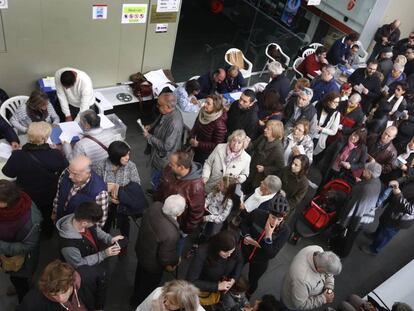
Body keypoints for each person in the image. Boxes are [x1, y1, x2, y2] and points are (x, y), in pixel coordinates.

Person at [2, 122, 68, 237]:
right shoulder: (55, 154)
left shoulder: (18, 155)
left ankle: (30, 235)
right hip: (49, 194)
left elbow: (8, 173)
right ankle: (47, 234)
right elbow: (65, 170)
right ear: (46, 138)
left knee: (27, 217)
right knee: (47, 216)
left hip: (26, 195)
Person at [131, 195, 186, 307]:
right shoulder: (171, 233)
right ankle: (138, 304)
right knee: (147, 288)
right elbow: (165, 258)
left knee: (139, 277)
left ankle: (134, 298)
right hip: (152, 265)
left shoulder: (155, 206)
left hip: (142, 251)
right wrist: (176, 260)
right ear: (179, 213)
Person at [0, 180, 42, 303]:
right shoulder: (16, 204)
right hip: (7, 253)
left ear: (7, 202)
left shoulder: (30, 221)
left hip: (22, 261)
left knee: (20, 282)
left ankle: (24, 300)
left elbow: (28, 246)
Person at [240, 194, 290, 296]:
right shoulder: (257, 214)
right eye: (273, 217)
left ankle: (248, 296)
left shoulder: (285, 231)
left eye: (279, 219)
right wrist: (246, 235)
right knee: (235, 269)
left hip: (260, 261)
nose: (275, 222)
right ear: (269, 212)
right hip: (245, 250)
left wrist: (268, 236)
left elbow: (271, 254)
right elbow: (244, 224)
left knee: (253, 281)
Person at [331, 162, 382, 258]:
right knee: (351, 237)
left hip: (356, 220)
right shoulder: (377, 182)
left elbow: (355, 207)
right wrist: (360, 183)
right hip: (365, 217)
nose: (363, 171)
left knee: (348, 237)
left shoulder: (366, 189)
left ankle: (340, 254)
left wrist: (344, 221)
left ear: (370, 173)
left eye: (366, 170)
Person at [94, 141, 143, 239]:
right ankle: (104, 241)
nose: (128, 158)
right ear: (116, 157)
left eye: (128, 154)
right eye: (124, 156)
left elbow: (137, 185)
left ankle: (124, 244)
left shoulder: (130, 166)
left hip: (124, 206)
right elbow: (96, 189)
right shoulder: (100, 166)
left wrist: (122, 196)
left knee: (125, 225)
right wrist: (109, 199)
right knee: (104, 225)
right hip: (106, 206)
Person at [17, 259, 106, 311]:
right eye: (54, 295)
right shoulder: (32, 302)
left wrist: (99, 307)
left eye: (64, 292)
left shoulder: (88, 276)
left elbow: (101, 280)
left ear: (72, 282)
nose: (60, 298)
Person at [57, 201, 123, 268]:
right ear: (84, 223)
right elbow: (78, 264)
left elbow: (96, 230)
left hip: (93, 257)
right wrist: (103, 254)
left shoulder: (83, 218)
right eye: (93, 223)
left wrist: (110, 239)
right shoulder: (69, 246)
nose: (94, 225)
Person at [154, 150, 205, 235]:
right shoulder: (170, 169)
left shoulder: (196, 187)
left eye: (172, 164)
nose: (169, 165)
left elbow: (196, 214)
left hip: (176, 226)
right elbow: (161, 185)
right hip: (160, 214)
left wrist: (185, 231)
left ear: (181, 167)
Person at [186, 231, 243, 305]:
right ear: (217, 247)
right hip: (203, 286)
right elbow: (191, 281)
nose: (229, 255)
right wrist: (217, 286)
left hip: (219, 284)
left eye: (231, 252)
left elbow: (240, 261)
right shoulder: (202, 253)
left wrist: (233, 279)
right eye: (225, 252)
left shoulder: (232, 247)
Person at [143, 89, 184, 190]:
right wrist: (151, 126)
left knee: (157, 178)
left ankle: (156, 193)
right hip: (157, 154)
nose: (157, 107)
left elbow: (167, 146)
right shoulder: (167, 112)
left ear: (168, 107)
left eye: (159, 105)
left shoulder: (174, 123)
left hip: (163, 158)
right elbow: (160, 119)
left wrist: (149, 137)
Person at [360, 178, 414, 255]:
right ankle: (375, 235)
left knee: (386, 233)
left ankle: (374, 249)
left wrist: (398, 193)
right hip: (394, 207)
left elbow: (411, 210)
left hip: (400, 218)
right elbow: (409, 176)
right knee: (383, 222)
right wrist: (398, 182)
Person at [52, 155, 109, 227]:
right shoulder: (65, 173)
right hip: (60, 221)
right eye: (69, 171)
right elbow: (58, 195)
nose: (70, 176)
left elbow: (99, 221)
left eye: (75, 174)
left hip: (77, 231)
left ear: (88, 173)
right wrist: (55, 212)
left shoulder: (99, 192)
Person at [281, 245, 342, 310]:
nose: (329, 275)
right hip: (290, 305)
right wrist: (323, 298)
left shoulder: (318, 250)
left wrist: (329, 286)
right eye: (326, 273)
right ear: (319, 269)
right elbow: (300, 305)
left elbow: (329, 273)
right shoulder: (302, 280)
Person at [203, 130, 251, 194]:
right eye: (234, 140)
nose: (235, 145)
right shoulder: (219, 147)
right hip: (210, 185)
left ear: (243, 144)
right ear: (230, 140)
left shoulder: (247, 158)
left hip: (225, 192)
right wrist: (205, 176)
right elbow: (208, 163)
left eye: (239, 142)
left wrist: (240, 178)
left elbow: (245, 174)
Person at [244, 120, 285, 194]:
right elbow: (253, 145)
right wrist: (246, 144)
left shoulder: (278, 149)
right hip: (251, 168)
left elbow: (280, 167)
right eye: (266, 127)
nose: (265, 129)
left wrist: (265, 169)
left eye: (268, 129)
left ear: (274, 132)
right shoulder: (263, 137)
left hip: (260, 178)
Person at [189, 94, 227, 164]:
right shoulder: (203, 112)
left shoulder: (219, 124)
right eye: (205, 102)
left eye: (208, 103)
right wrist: (191, 136)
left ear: (215, 107)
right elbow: (195, 126)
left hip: (205, 153)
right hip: (195, 145)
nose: (204, 105)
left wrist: (199, 144)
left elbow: (217, 144)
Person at [135, 280, 204, 311]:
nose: (165, 302)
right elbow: (140, 309)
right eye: (166, 297)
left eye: (172, 302)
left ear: (183, 305)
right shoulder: (158, 292)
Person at [313, 92, 341, 157]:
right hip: (307, 133)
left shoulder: (336, 114)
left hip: (318, 138)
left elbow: (334, 131)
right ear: (328, 101)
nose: (337, 105)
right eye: (335, 102)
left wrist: (322, 129)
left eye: (338, 102)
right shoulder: (317, 104)